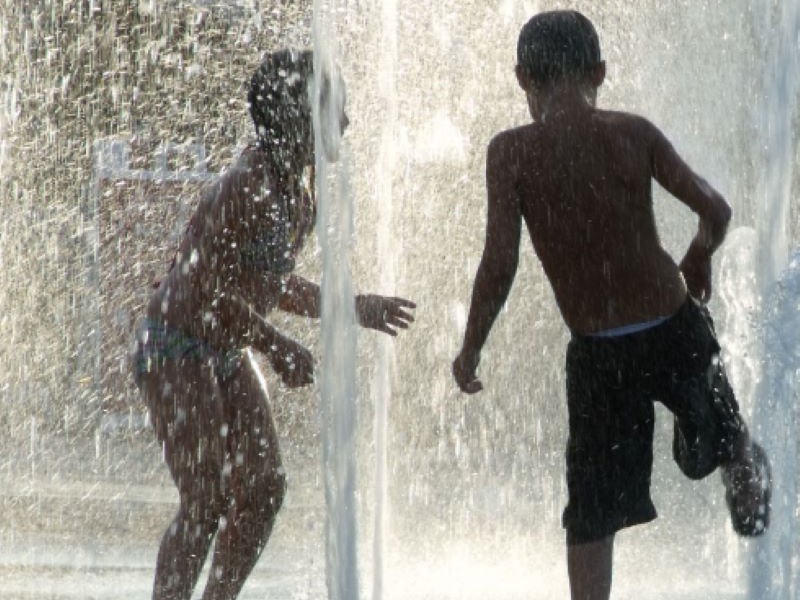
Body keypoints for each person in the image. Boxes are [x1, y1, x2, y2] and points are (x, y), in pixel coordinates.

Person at [451, 11, 770, 600]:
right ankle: (749, 492)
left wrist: (471, 347)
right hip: (674, 329)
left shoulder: (511, 154)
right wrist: (697, 258)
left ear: (523, 78)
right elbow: (717, 212)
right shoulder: (633, 133)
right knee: (725, 443)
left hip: (598, 354)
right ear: (599, 70)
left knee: (592, 512)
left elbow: (500, 264)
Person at [132, 49, 416, 600]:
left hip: (225, 345)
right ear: (297, 114)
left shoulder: (297, 192)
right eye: (337, 109)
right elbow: (205, 286)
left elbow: (269, 283)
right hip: (175, 342)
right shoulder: (249, 182)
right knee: (205, 496)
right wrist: (275, 343)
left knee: (265, 487)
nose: (348, 123)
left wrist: (356, 307)